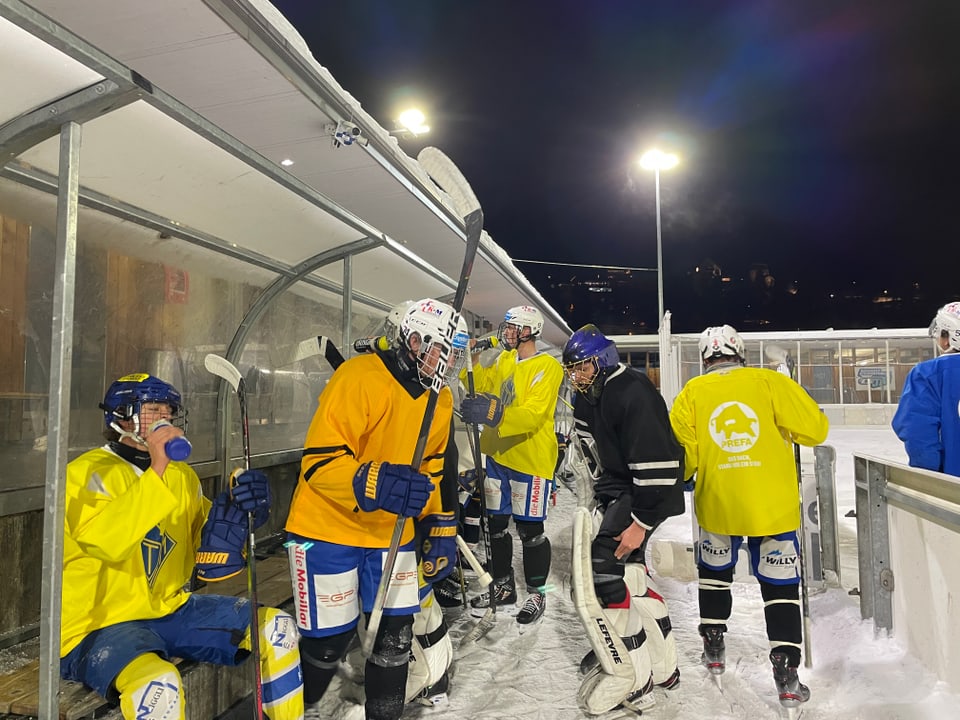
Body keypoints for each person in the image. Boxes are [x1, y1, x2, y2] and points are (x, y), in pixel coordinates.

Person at [60, 373, 304, 720]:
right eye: (152, 409)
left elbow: (207, 549)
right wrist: (158, 468)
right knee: (158, 687)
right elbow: (108, 543)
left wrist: (240, 514)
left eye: (168, 411)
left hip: (172, 610)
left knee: (276, 629)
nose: (164, 419)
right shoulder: (84, 473)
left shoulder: (181, 476)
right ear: (121, 416)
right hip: (100, 625)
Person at [285, 299, 465, 720]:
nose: (449, 361)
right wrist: (374, 481)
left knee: (395, 638)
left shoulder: (441, 398)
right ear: (412, 340)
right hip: (328, 527)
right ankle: (298, 708)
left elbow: (433, 465)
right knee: (328, 642)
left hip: (392, 532)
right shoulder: (358, 376)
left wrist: (438, 521)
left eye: (455, 352)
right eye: (442, 349)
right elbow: (319, 462)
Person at [669, 325, 829, 712]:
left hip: (719, 505)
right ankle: (787, 671)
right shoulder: (770, 382)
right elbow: (816, 431)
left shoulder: (691, 393)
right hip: (772, 508)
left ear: (705, 357)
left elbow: (685, 456)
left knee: (714, 574)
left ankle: (713, 641)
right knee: (780, 587)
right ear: (739, 352)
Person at [561, 324, 684, 715]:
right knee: (629, 573)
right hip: (622, 490)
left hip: (648, 493)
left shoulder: (632, 390)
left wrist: (640, 523)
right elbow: (594, 458)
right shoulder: (588, 398)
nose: (577, 377)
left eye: (583, 368)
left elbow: (658, 467)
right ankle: (664, 668)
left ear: (602, 360)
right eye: (573, 370)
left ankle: (634, 675)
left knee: (603, 570)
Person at [459, 304, 564, 625]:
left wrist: (494, 413)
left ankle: (537, 591)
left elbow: (533, 414)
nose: (505, 333)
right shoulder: (505, 359)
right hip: (497, 457)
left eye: (512, 328)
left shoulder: (548, 366)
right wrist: (471, 359)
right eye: (505, 327)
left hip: (530, 460)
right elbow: (483, 388)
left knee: (531, 531)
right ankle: (503, 585)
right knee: (496, 526)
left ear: (529, 331)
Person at [893, 301, 960, 476]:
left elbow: (918, 434)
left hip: (952, 491)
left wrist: (930, 482)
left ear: (949, 336)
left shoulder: (928, 374)